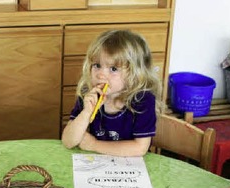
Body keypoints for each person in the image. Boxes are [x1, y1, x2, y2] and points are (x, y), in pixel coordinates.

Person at [61, 29, 164, 157]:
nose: (100, 75)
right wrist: (86, 112)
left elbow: (140, 148)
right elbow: (68, 141)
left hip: (132, 169)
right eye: (97, 65)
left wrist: (93, 144)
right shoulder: (89, 95)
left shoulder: (143, 100)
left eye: (113, 69)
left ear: (134, 74)